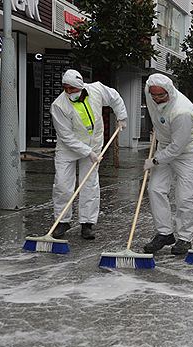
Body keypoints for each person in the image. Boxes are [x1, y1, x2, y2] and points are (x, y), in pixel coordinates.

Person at [50, 69, 127, 240]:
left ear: (81, 86)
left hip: (94, 144)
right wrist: (87, 152)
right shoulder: (58, 105)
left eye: (72, 89)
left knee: (90, 184)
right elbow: (66, 137)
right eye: (66, 88)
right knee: (62, 185)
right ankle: (62, 221)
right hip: (68, 149)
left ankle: (87, 223)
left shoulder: (96, 90)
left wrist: (121, 117)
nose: (69, 92)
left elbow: (115, 97)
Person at [142, 74, 193, 255]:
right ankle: (164, 233)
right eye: (153, 95)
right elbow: (156, 114)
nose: (156, 99)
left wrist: (154, 160)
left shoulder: (182, 111)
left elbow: (177, 148)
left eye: (160, 95)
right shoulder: (150, 92)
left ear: (169, 91)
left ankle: (184, 238)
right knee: (155, 189)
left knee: (184, 196)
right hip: (164, 145)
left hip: (187, 152)